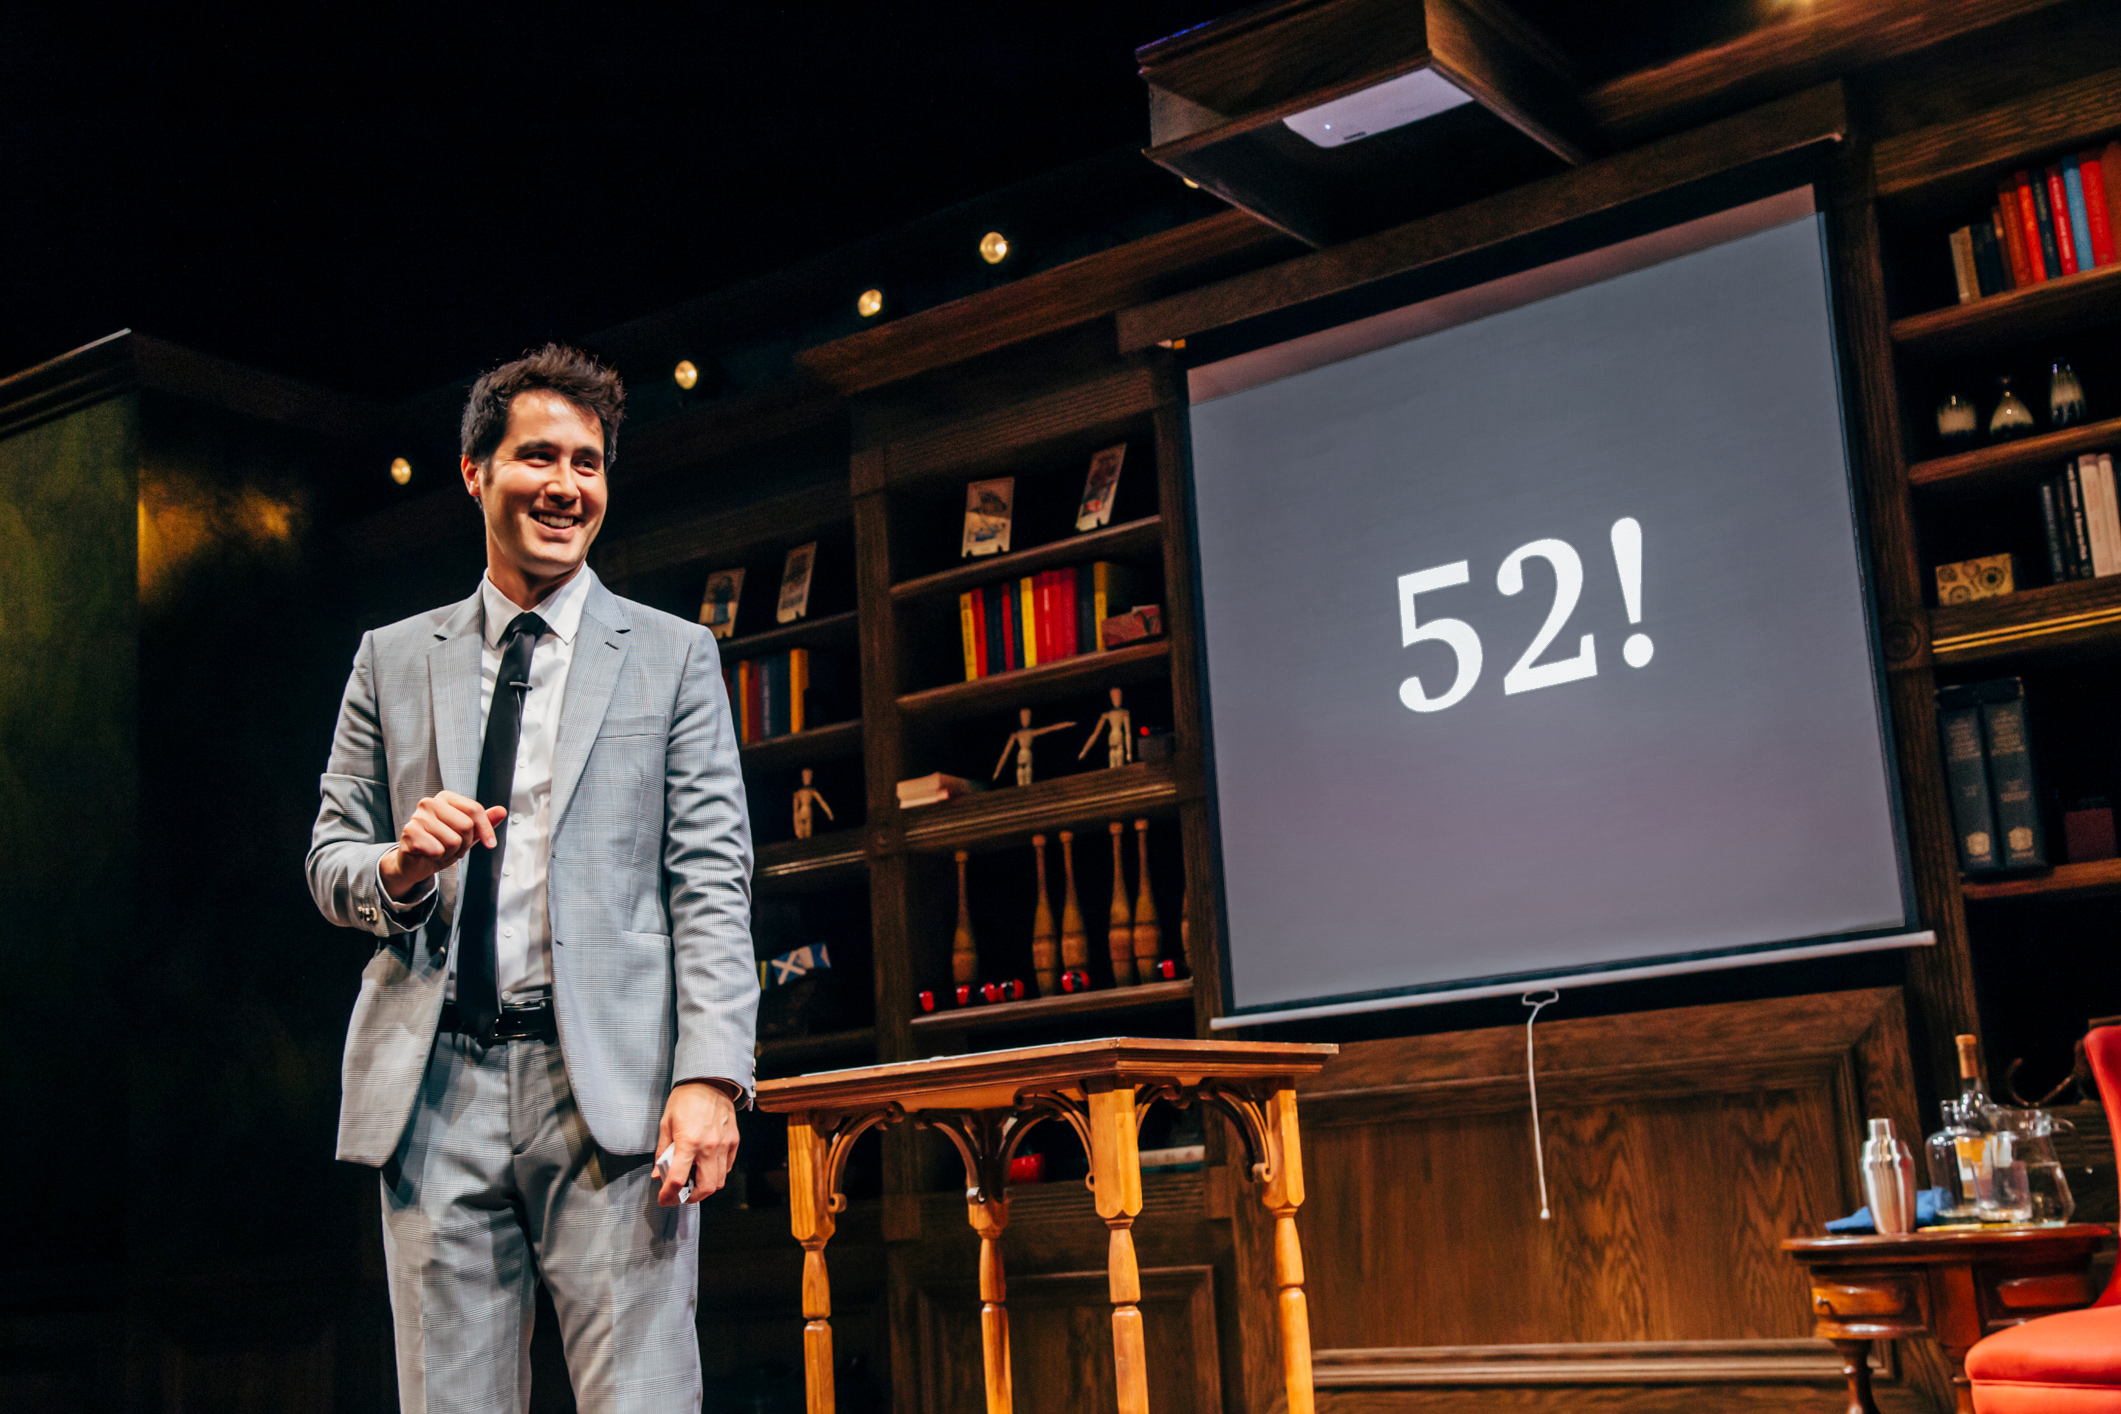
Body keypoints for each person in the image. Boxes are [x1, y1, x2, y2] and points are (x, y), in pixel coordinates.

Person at [306, 344, 756, 1412]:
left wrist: (712, 1074)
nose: (566, 486)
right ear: (475, 472)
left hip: (611, 1097)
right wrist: (401, 867)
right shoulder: (391, 658)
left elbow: (710, 880)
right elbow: (329, 859)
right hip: (435, 1092)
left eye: (587, 464)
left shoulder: (673, 656)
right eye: (538, 457)